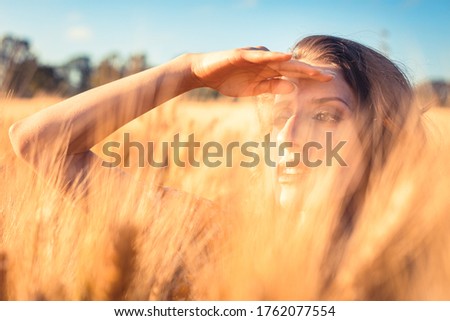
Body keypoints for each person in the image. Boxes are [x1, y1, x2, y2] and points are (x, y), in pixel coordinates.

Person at [8, 35, 424, 299]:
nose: (287, 139)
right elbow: (39, 143)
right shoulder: (218, 236)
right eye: (279, 118)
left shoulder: (425, 271)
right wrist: (188, 71)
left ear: (383, 136)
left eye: (326, 116)